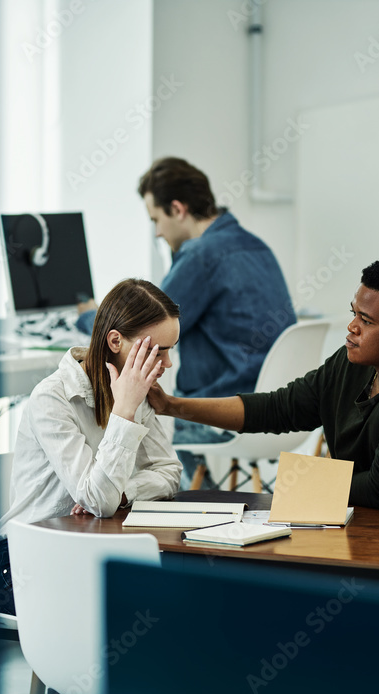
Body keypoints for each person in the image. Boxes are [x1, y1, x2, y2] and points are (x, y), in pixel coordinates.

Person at [146, 256, 379, 512]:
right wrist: (170, 405)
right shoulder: (351, 363)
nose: (352, 327)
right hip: (363, 523)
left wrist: (304, 481)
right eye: (353, 313)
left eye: (366, 320)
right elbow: (276, 409)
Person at [77, 157, 296, 487]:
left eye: (156, 219)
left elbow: (142, 324)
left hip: (220, 412)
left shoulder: (201, 255)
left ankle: (184, 512)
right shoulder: (255, 245)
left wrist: (87, 315)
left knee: (128, 424)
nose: (157, 232)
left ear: (178, 209)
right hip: (276, 409)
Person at [0, 278, 182, 528]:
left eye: (171, 350)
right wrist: (124, 411)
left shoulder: (136, 389)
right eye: (157, 352)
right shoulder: (51, 398)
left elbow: (169, 472)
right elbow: (99, 501)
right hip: (31, 543)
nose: (168, 363)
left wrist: (123, 493)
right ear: (115, 341)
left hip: (92, 536)